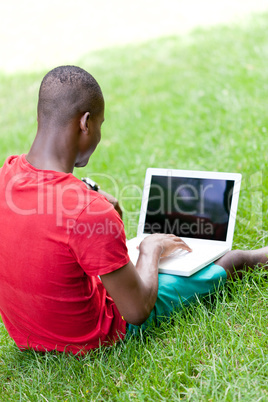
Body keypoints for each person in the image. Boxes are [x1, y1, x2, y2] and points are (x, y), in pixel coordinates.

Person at [0, 66, 267, 354]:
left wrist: (96, 204)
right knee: (233, 259)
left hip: (29, 333)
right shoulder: (88, 210)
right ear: (86, 123)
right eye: (100, 124)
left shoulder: (8, 174)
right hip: (92, 337)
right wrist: (150, 249)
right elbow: (137, 310)